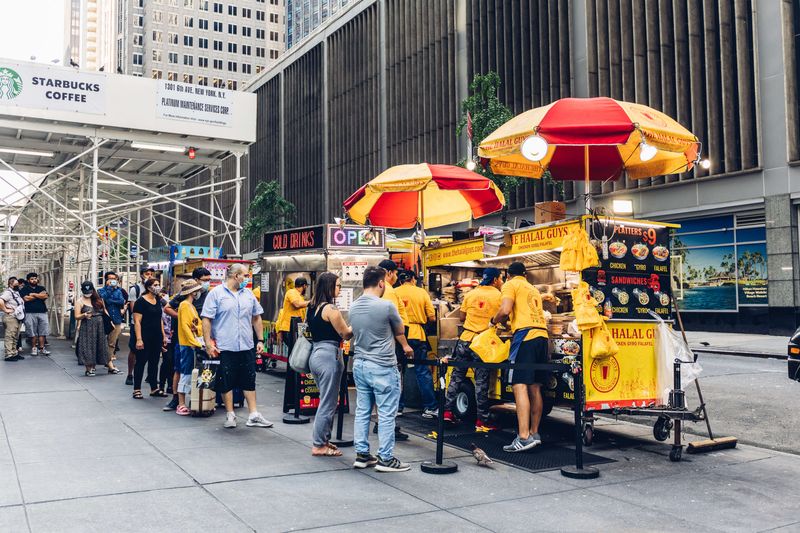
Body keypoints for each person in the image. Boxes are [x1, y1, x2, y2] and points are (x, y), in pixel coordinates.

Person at [349, 266, 414, 473]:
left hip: (359, 364)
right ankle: (385, 458)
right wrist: (405, 346)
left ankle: (362, 454)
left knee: (362, 411)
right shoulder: (386, 306)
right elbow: (400, 330)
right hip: (383, 365)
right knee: (386, 413)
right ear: (381, 283)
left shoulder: (353, 306)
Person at [201, 263, 272, 429]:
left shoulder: (248, 294)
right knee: (227, 380)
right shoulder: (216, 294)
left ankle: (253, 414)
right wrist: (208, 343)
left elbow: (256, 317)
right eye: (245, 275)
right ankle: (230, 414)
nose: (247, 279)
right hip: (225, 346)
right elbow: (206, 319)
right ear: (236, 276)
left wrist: (260, 340)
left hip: (246, 345)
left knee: (249, 379)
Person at [492, 262, 549, 452]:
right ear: (525, 274)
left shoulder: (510, 284)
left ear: (508, 274)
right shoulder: (532, 288)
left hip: (525, 336)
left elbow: (505, 310)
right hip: (542, 336)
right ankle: (534, 433)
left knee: (519, 385)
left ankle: (523, 437)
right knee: (535, 387)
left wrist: (494, 320)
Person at [442, 267, 503, 431]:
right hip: (482, 343)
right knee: (481, 381)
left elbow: (462, 317)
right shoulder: (499, 295)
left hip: (465, 340)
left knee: (456, 377)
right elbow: (504, 316)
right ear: (496, 279)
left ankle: (447, 412)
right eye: (500, 279)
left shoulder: (471, 294)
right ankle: (482, 420)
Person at [307, 273, 352, 457]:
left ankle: (324, 440)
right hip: (328, 356)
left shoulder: (312, 307)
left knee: (327, 401)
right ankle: (319, 445)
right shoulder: (331, 309)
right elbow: (345, 334)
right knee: (328, 403)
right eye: (338, 286)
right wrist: (357, 323)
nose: (339, 289)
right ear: (329, 287)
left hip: (316, 355)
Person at [162, 268, 213, 411]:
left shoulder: (208, 295)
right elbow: (167, 308)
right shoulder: (184, 300)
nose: (207, 283)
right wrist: (185, 320)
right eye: (204, 280)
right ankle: (177, 400)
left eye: (209, 280)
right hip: (185, 341)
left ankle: (198, 399)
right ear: (196, 280)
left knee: (197, 370)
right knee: (181, 369)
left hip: (199, 338)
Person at [394, 270, 438, 418]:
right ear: (413, 279)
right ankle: (429, 407)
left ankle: (397, 408)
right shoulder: (422, 292)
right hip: (418, 335)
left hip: (399, 335)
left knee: (398, 372)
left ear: (400, 281)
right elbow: (432, 317)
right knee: (422, 371)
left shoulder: (394, 292)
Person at [131, 278, 168, 399]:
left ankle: (154, 388)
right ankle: (137, 389)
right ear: (148, 287)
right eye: (155, 285)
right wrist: (139, 339)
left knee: (154, 362)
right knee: (141, 362)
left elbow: (160, 319)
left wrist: (163, 335)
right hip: (144, 336)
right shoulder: (140, 302)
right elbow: (137, 322)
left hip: (156, 336)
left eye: (158, 285)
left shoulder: (157, 300)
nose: (158, 287)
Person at [75, 281, 121, 376]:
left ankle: (110, 366)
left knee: (102, 346)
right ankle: (89, 368)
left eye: (90, 292)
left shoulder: (98, 299)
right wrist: (84, 315)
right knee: (88, 347)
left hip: (100, 326)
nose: (88, 294)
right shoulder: (79, 301)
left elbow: (104, 311)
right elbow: (76, 316)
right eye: (86, 292)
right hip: (87, 326)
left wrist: (110, 321)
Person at [174, 279, 205, 416]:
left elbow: (198, 326)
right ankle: (181, 403)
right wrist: (196, 342)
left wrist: (197, 332)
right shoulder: (185, 305)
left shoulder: (190, 306)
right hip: (188, 345)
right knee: (186, 373)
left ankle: (186, 402)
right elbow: (186, 327)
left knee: (190, 373)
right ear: (193, 292)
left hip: (192, 344)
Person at [126, 266, 155, 385]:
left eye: (152, 274)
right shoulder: (136, 290)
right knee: (134, 349)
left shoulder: (155, 290)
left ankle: (150, 375)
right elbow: (133, 310)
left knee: (151, 350)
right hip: (137, 324)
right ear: (142, 275)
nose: (150, 276)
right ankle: (130, 374)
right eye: (147, 274)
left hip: (150, 326)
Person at [18, 272, 50, 356]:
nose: (34, 280)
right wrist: (39, 295)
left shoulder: (41, 287)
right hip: (30, 313)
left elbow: (45, 296)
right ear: (28, 280)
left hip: (42, 312)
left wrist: (33, 294)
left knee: (43, 331)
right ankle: (34, 348)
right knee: (32, 332)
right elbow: (26, 299)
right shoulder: (24, 289)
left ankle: (42, 348)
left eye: (35, 278)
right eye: (32, 279)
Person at [98, 271, 126, 361]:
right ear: (106, 280)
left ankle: (108, 361)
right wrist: (109, 288)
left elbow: (121, 301)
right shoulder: (101, 290)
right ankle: (100, 359)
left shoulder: (119, 291)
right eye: (110, 279)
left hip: (116, 319)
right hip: (104, 319)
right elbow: (102, 298)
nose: (112, 281)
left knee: (112, 342)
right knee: (101, 341)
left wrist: (111, 301)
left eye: (114, 279)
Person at [276, 277, 309, 352]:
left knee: (296, 352)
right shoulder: (291, 292)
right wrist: (312, 302)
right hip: (289, 329)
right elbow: (296, 304)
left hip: (296, 328)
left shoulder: (299, 296)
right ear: (304, 286)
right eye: (306, 286)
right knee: (294, 352)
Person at [0, 277, 25, 362]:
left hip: (16, 317)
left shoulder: (16, 292)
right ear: (11, 284)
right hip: (10, 317)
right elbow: (1, 301)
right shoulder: (8, 292)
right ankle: (9, 355)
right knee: (10, 336)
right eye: (16, 284)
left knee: (15, 336)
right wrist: (6, 310)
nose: (18, 285)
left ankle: (14, 353)